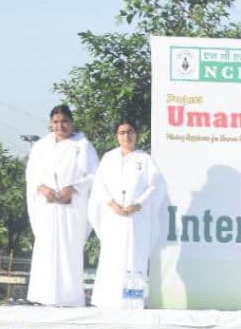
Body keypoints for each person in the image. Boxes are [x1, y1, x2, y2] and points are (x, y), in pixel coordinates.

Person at [25, 104, 99, 306]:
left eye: (64, 121)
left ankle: (70, 299)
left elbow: (94, 176)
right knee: (46, 251)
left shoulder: (83, 146)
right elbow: (32, 174)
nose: (60, 125)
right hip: (47, 206)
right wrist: (43, 189)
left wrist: (73, 189)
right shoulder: (40, 146)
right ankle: (44, 297)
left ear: (72, 122)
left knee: (69, 251)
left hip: (71, 207)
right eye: (56, 122)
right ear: (51, 123)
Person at [87, 121, 166, 308]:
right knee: (112, 259)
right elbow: (100, 185)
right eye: (122, 132)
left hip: (136, 219)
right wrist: (113, 204)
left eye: (130, 132)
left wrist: (138, 205)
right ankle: (109, 301)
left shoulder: (145, 160)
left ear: (136, 135)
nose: (126, 136)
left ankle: (132, 300)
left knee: (134, 259)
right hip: (113, 218)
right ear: (116, 135)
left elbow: (155, 187)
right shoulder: (108, 158)